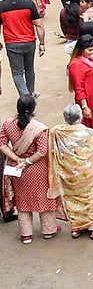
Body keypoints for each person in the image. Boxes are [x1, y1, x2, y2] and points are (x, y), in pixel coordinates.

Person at [0, 95, 61, 242]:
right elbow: (42, 151)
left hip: (17, 169)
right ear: (33, 109)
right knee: (43, 198)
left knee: (23, 202)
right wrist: (27, 161)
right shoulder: (39, 128)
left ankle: (26, 234)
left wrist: (16, 159)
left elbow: (1, 144)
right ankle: (48, 230)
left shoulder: (7, 124)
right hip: (37, 169)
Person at [46, 104, 93, 239]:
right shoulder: (89, 133)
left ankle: (76, 228)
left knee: (72, 200)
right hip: (88, 174)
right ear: (80, 116)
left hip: (68, 175)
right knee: (91, 198)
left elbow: (52, 150)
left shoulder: (57, 132)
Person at [0, 0, 44, 97]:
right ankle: (30, 92)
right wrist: (42, 43)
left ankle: (25, 98)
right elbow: (39, 25)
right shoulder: (28, 3)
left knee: (17, 73)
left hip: (12, 44)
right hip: (29, 41)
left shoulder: (1, 6)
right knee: (29, 69)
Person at [66, 36, 93, 145]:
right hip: (89, 100)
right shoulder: (75, 65)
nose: (92, 53)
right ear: (81, 49)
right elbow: (79, 88)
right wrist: (85, 107)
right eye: (89, 50)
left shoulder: (89, 60)